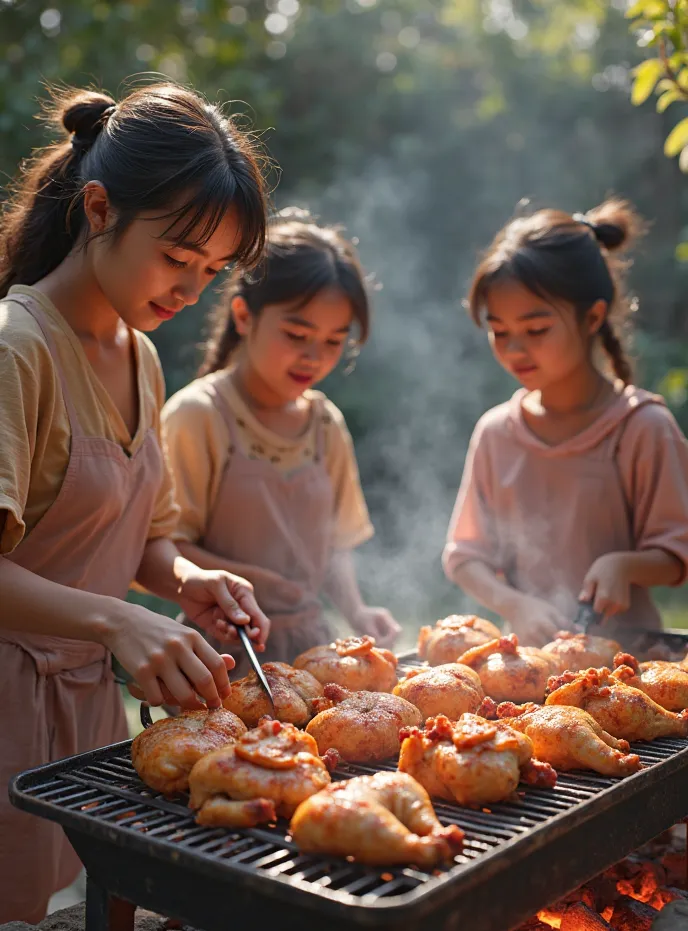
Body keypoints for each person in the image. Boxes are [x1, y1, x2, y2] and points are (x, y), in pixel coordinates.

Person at [0, 82, 272, 923]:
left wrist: (190, 580)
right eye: (176, 256)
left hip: (82, 707)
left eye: (211, 270)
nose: (189, 287)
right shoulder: (19, 348)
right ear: (99, 207)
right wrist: (118, 621)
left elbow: (147, 537)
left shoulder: (142, 357)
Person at [162, 208, 400, 672]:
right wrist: (250, 583)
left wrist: (356, 610)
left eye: (334, 342)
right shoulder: (200, 417)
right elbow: (159, 549)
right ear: (244, 315)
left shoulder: (325, 424)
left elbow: (334, 546)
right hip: (220, 658)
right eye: (297, 334)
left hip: (314, 655)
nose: (314, 357)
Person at [443, 198, 688, 647]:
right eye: (500, 332)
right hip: (527, 675)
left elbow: (678, 552)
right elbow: (465, 557)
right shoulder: (497, 433)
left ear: (592, 317)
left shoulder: (642, 427)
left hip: (629, 665)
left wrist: (624, 565)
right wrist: (515, 604)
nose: (515, 350)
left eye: (535, 330)